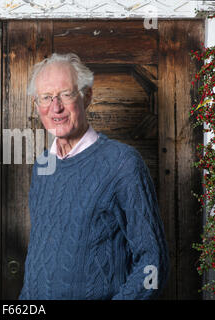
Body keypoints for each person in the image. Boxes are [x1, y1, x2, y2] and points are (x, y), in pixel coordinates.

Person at [19, 53, 169, 300]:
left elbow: (154, 262)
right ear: (37, 105)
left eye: (66, 94)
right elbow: (39, 259)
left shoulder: (122, 163)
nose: (55, 107)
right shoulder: (42, 166)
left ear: (87, 96)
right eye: (46, 97)